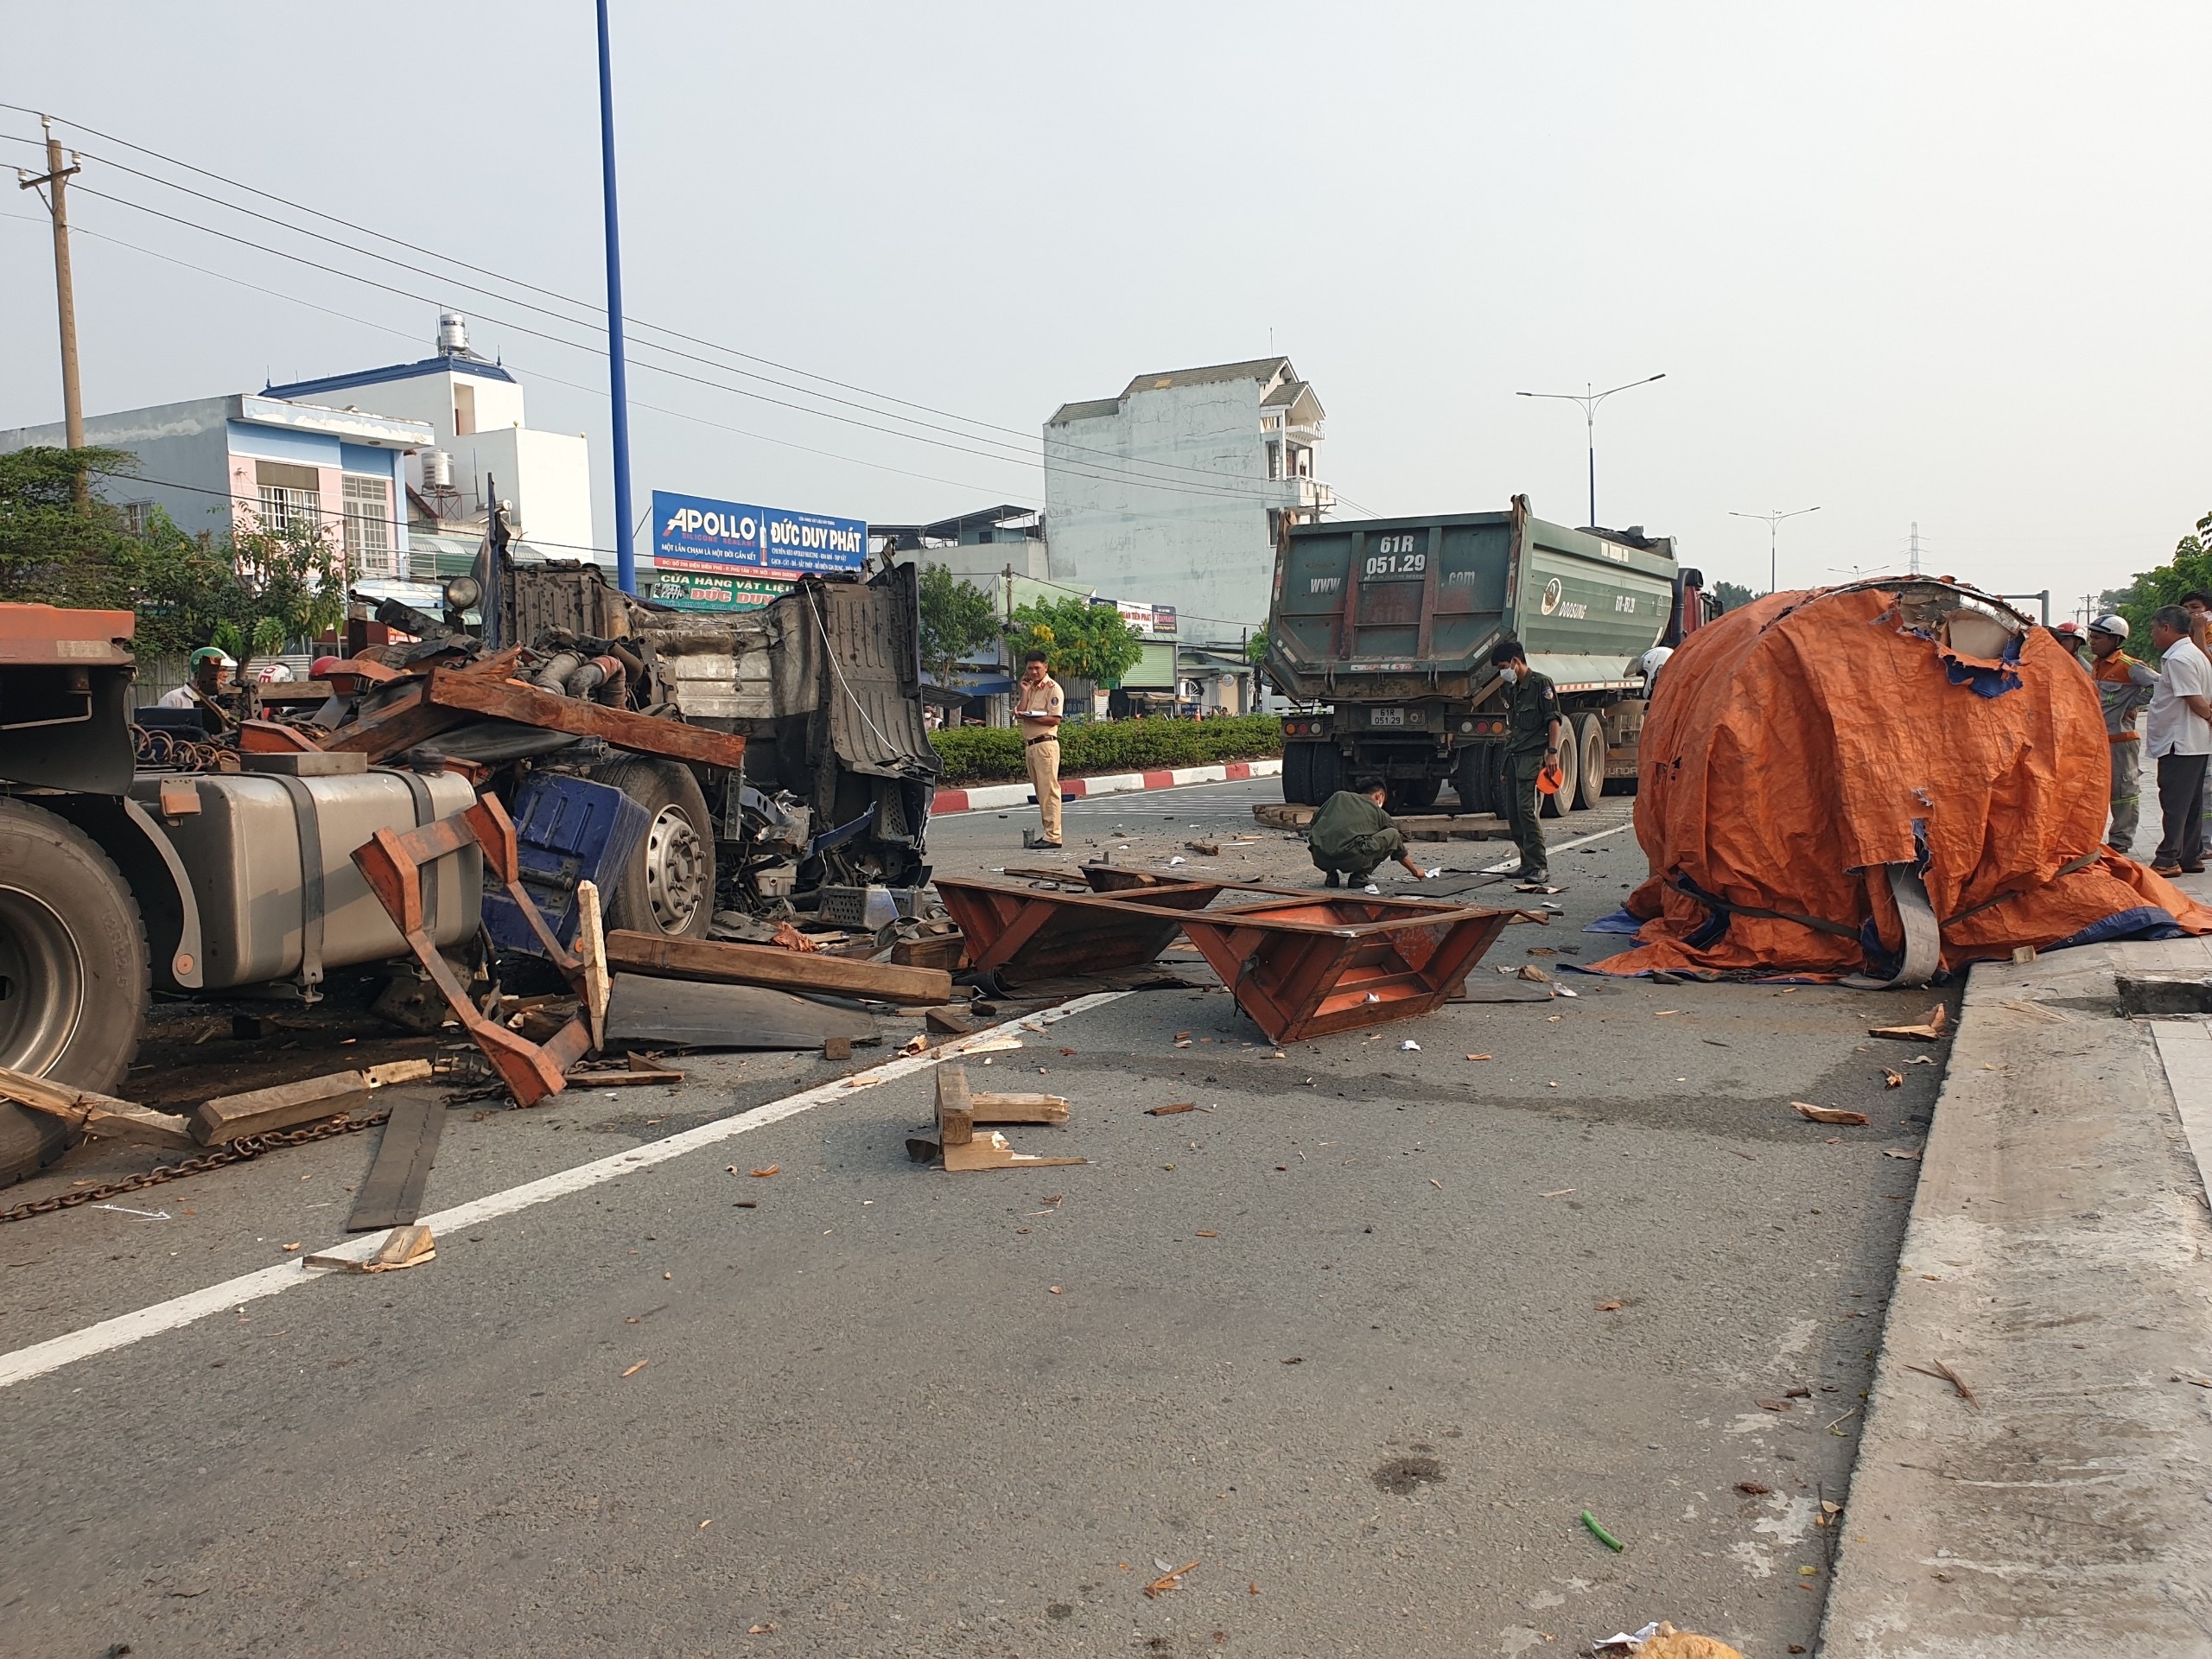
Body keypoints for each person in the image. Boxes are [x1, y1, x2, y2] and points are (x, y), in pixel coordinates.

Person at [2145, 605, 2212, 875]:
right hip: (2192, 741)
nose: (2152, 636)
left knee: (2174, 801)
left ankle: (2168, 858)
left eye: (2153, 629)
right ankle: (2190, 854)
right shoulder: (2194, 654)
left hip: (2180, 741)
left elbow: (2192, 698)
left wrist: (2209, 716)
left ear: (2166, 628)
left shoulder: (2179, 659)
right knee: (2191, 801)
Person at [1492, 638, 1563, 883]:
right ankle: (1525, 863)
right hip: (1514, 756)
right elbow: (1513, 729)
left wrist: (1552, 752)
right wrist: (1504, 764)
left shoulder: (1541, 684)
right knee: (1513, 813)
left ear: (1514, 661)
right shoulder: (1511, 689)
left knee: (1527, 811)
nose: (1502, 672)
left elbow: (1553, 720)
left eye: (1503, 666)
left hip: (1532, 757)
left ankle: (1539, 865)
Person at [2088, 614, 2158, 854]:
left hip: (2120, 741)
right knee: (2099, 790)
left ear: (2115, 639)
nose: (2092, 642)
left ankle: (2121, 840)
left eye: (2097, 638)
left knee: (2123, 792)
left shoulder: (2128, 666)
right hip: (2098, 741)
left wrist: (2133, 704)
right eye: (2091, 637)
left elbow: (2158, 684)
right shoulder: (2096, 666)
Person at [1307, 781, 1427, 888]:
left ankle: (1331, 874)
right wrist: (1415, 872)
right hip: (1351, 859)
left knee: (1333, 834)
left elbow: (1314, 822)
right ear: (1379, 795)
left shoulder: (1339, 796)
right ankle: (1359, 876)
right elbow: (1399, 849)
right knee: (1393, 834)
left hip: (1321, 857)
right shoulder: (1379, 813)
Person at [1014, 648, 1065, 849]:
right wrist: (1024, 691)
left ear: (1046, 667)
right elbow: (1021, 711)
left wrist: (1027, 715)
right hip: (1031, 745)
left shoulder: (1053, 688)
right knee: (1040, 793)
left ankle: (1053, 836)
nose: (1033, 672)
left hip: (1045, 744)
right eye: (1030, 668)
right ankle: (1048, 834)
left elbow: (1055, 718)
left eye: (1037, 668)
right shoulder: (1032, 688)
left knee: (1049, 792)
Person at [157, 646, 235, 724]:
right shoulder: (173, 699)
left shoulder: (220, 700)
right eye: (221, 670)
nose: (226, 675)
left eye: (226, 670)